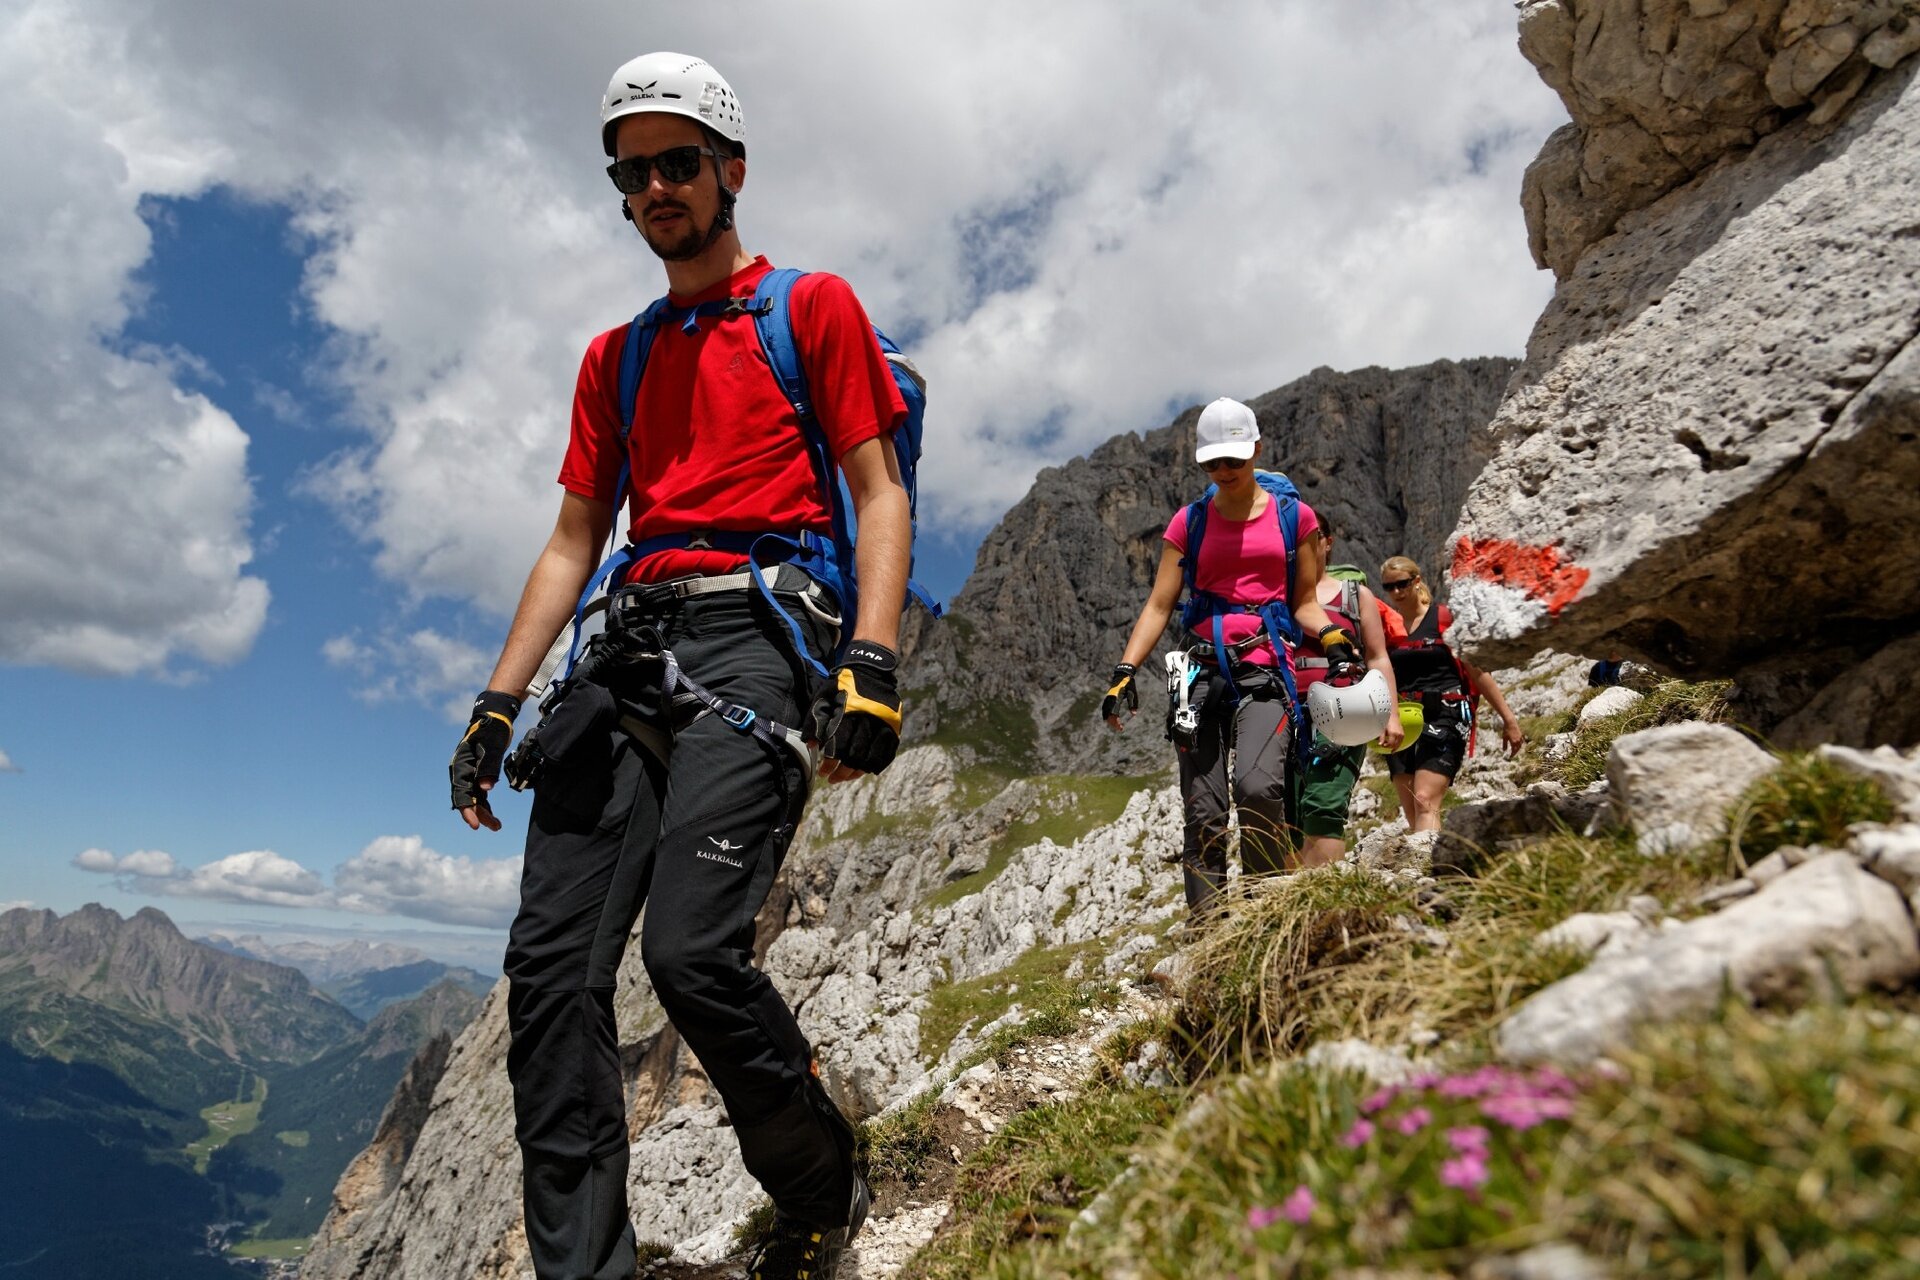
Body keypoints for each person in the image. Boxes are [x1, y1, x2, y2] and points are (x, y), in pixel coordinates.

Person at [446, 52, 910, 1280]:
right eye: (632, 170)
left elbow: (878, 489)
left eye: (677, 162)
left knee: (692, 953)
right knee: (548, 979)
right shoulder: (617, 356)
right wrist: (497, 705)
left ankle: (818, 1178)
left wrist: (871, 662)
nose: (655, 186)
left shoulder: (811, 309)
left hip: (754, 640)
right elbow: (572, 539)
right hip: (627, 648)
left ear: (730, 170)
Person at [1101, 398, 1362, 913]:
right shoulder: (1187, 523)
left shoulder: (1296, 517)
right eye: (1212, 463)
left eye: (1234, 461)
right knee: (1203, 810)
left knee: (1260, 787)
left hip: (1265, 667)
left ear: (1257, 450)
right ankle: (1208, 935)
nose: (1223, 472)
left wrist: (1333, 639)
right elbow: (1159, 605)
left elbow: (1305, 603)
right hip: (1195, 671)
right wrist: (1124, 671)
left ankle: (1263, 916)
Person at [1378, 555, 1524, 832]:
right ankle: (1420, 868)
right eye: (1388, 587)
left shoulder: (1444, 617)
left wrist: (1509, 720)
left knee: (1424, 799)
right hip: (1402, 720)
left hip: (1445, 712)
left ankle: (1428, 865)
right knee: (1410, 806)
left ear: (1417, 581)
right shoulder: (1388, 628)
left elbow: (1477, 671)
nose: (1395, 592)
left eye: (1401, 584)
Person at [1290, 526, 1403, 865]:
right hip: (1287, 707)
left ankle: (1322, 900)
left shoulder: (1356, 596)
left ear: (1327, 542)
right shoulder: (1278, 596)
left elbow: (1377, 656)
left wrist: (1391, 714)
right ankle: (1290, 903)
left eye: (1314, 536)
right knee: (1288, 812)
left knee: (1324, 804)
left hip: (1344, 706)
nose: (1306, 546)